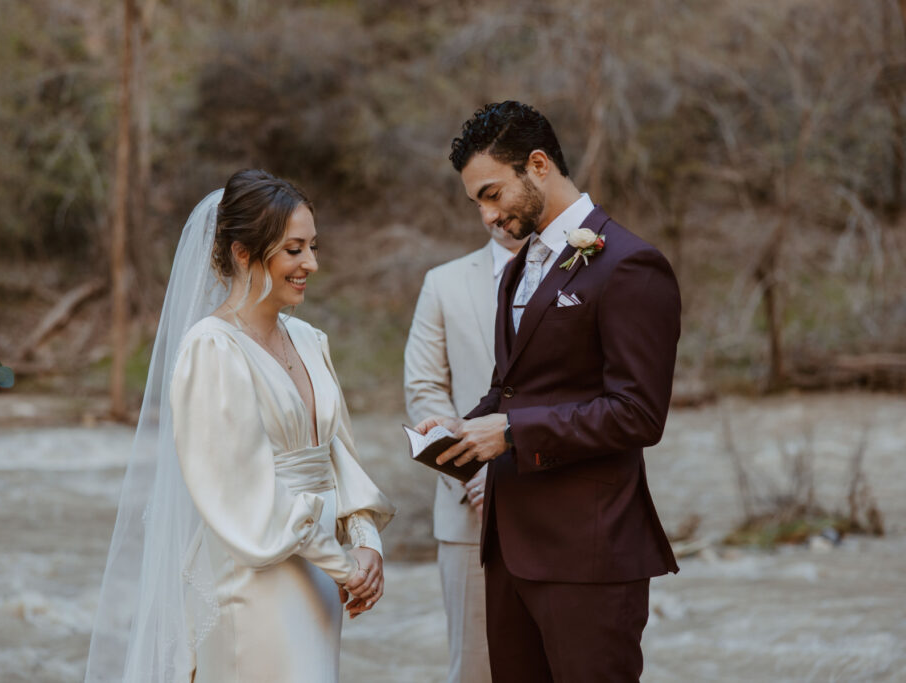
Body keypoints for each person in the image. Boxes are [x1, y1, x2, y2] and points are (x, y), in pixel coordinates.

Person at [86, 169, 394, 683]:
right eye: (293, 250)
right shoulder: (212, 348)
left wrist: (365, 542)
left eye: (312, 247)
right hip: (254, 578)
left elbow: (339, 455)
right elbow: (242, 489)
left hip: (322, 577)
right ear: (242, 253)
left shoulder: (310, 340)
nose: (311, 264)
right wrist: (347, 567)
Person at [416, 101, 681, 682]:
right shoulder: (519, 266)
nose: (486, 216)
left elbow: (639, 414)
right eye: (476, 203)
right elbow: (513, 389)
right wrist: (461, 429)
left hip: (588, 553)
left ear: (538, 165)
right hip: (510, 550)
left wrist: (511, 432)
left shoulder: (632, 266)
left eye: (492, 194)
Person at [403, 220, 523, 683]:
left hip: (563, 507)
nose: (492, 214)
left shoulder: (580, 272)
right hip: (470, 513)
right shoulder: (443, 283)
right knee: (476, 668)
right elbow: (425, 389)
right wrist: (474, 467)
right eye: (480, 202)